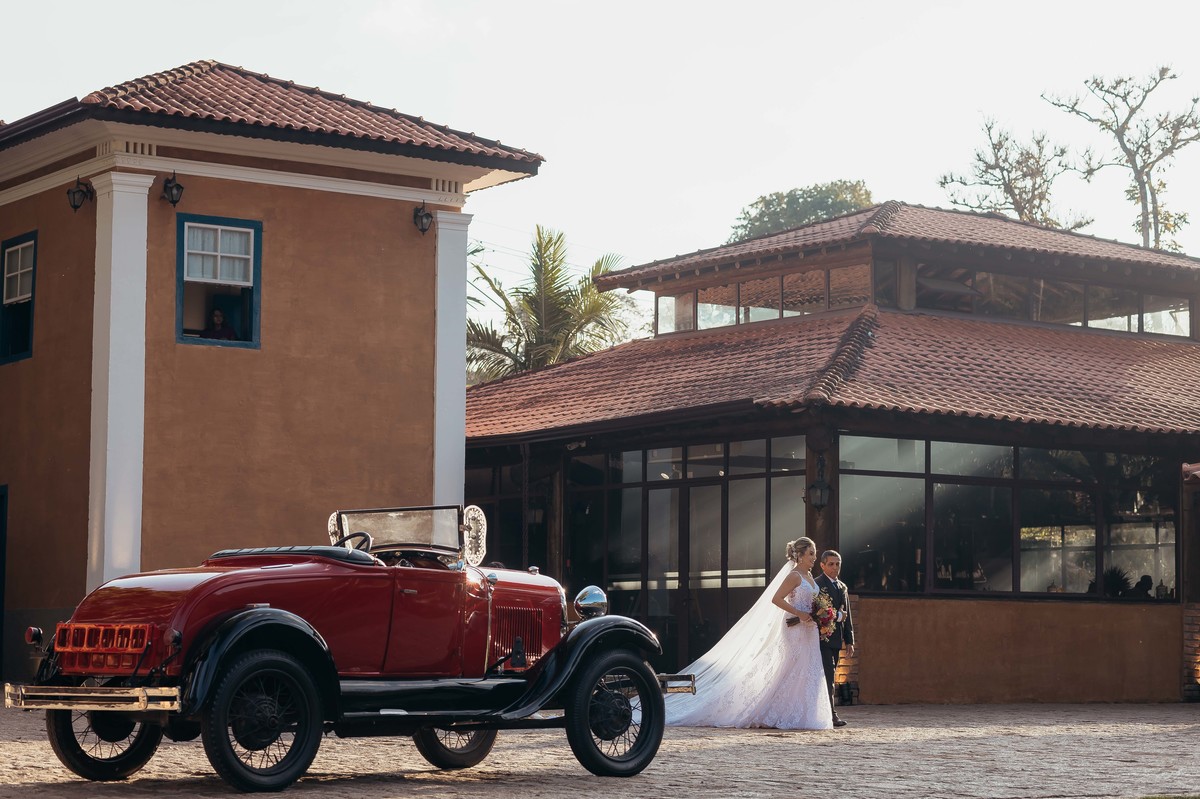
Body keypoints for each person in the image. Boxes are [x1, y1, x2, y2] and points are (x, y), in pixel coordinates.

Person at [664, 537, 832, 730]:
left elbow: (815, 603)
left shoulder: (810, 576)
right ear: (800, 555)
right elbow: (776, 599)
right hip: (794, 628)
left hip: (809, 629)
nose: (814, 556)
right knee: (792, 669)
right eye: (811, 553)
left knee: (808, 669)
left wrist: (822, 615)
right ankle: (775, 711)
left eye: (814, 553)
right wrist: (799, 613)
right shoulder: (794, 576)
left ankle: (804, 713)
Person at [815, 549, 856, 727]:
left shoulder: (842, 586)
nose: (835, 567)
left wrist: (850, 640)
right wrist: (837, 616)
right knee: (828, 677)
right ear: (822, 565)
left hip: (836, 639)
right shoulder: (817, 585)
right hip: (821, 639)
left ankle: (827, 713)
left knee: (833, 675)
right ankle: (831, 715)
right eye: (831, 564)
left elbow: (847, 616)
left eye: (837, 564)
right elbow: (817, 612)